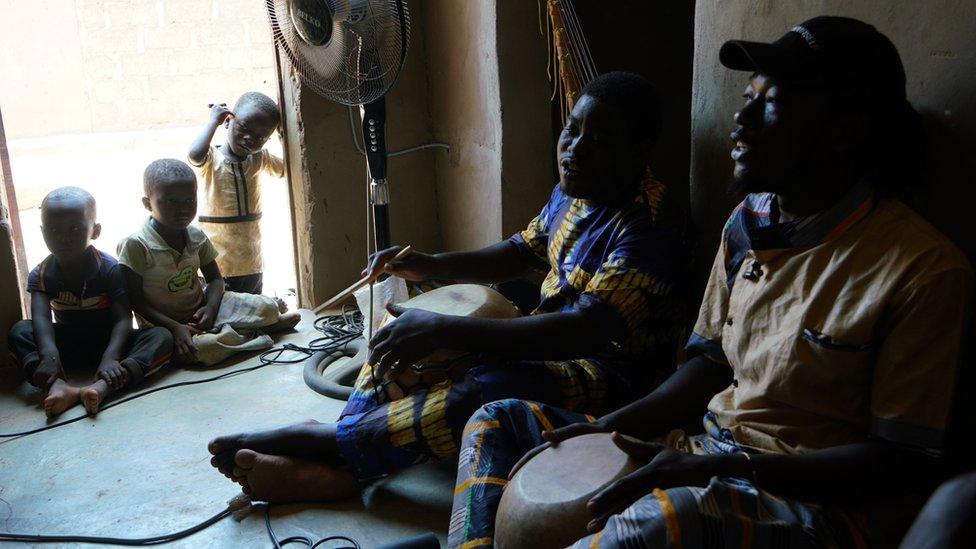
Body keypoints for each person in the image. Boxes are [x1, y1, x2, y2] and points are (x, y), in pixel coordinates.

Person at [446, 16, 974, 548]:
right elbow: (708, 364)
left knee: (655, 525)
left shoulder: (923, 271)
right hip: (705, 448)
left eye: (769, 104)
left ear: (844, 130)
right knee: (498, 421)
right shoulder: (749, 222)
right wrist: (611, 425)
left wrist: (727, 470)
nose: (740, 119)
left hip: (817, 507)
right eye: (747, 97)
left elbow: (899, 462)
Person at [207, 71, 688, 503]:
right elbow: (521, 252)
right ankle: (347, 461)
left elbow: (585, 332)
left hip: (613, 378)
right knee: (400, 340)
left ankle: (324, 441)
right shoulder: (575, 189)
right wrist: (427, 264)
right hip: (552, 341)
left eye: (598, 139)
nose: (574, 148)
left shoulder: (650, 223)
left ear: (639, 149)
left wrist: (446, 331)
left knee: (488, 389)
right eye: (572, 129)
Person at [8, 187, 173, 417]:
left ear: (95, 231)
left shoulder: (108, 268)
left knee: (161, 337)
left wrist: (111, 358)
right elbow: (41, 320)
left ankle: (102, 386)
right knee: (20, 331)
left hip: (109, 344)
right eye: (53, 230)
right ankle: (56, 385)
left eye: (74, 228)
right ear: (42, 231)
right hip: (65, 348)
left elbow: (124, 319)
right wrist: (49, 357)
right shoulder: (42, 274)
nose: (63, 237)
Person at [117, 159, 300, 365]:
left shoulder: (195, 236)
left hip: (202, 311)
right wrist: (176, 327)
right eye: (170, 201)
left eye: (189, 200)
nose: (182, 210)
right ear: (147, 203)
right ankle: (252, 332)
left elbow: (215, 280)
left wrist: (210, 309)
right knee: (204, 349)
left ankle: (234, 331)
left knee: (266, 307)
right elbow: (135, 301)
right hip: (162, 325)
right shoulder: (136, 245)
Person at [187, 92, 284, 295]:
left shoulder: (260, 158)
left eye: (260, 137)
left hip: (251, 255)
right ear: (228, 122)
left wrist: (285, 136)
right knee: (219, 302)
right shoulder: (212, 158)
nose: (250, 139)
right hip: (216, 253)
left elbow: (286, 169)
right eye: (244, 128)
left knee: (252, 300)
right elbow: (194, 155)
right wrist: (213, 122)